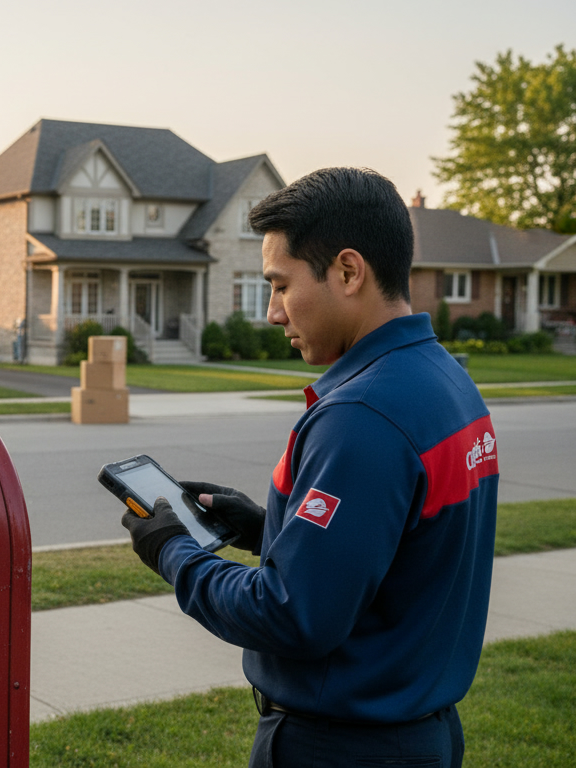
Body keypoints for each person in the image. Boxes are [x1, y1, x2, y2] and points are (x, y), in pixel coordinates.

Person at [121, 167, 499, 768]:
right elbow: (392, 547)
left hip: (340, 747)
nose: (273, 312)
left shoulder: (364, 415)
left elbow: (293, 616)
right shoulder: (446, 381)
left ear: (348, 272)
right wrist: (264, 526)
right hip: (419, 734)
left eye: (279, 285)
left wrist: (173, 551)